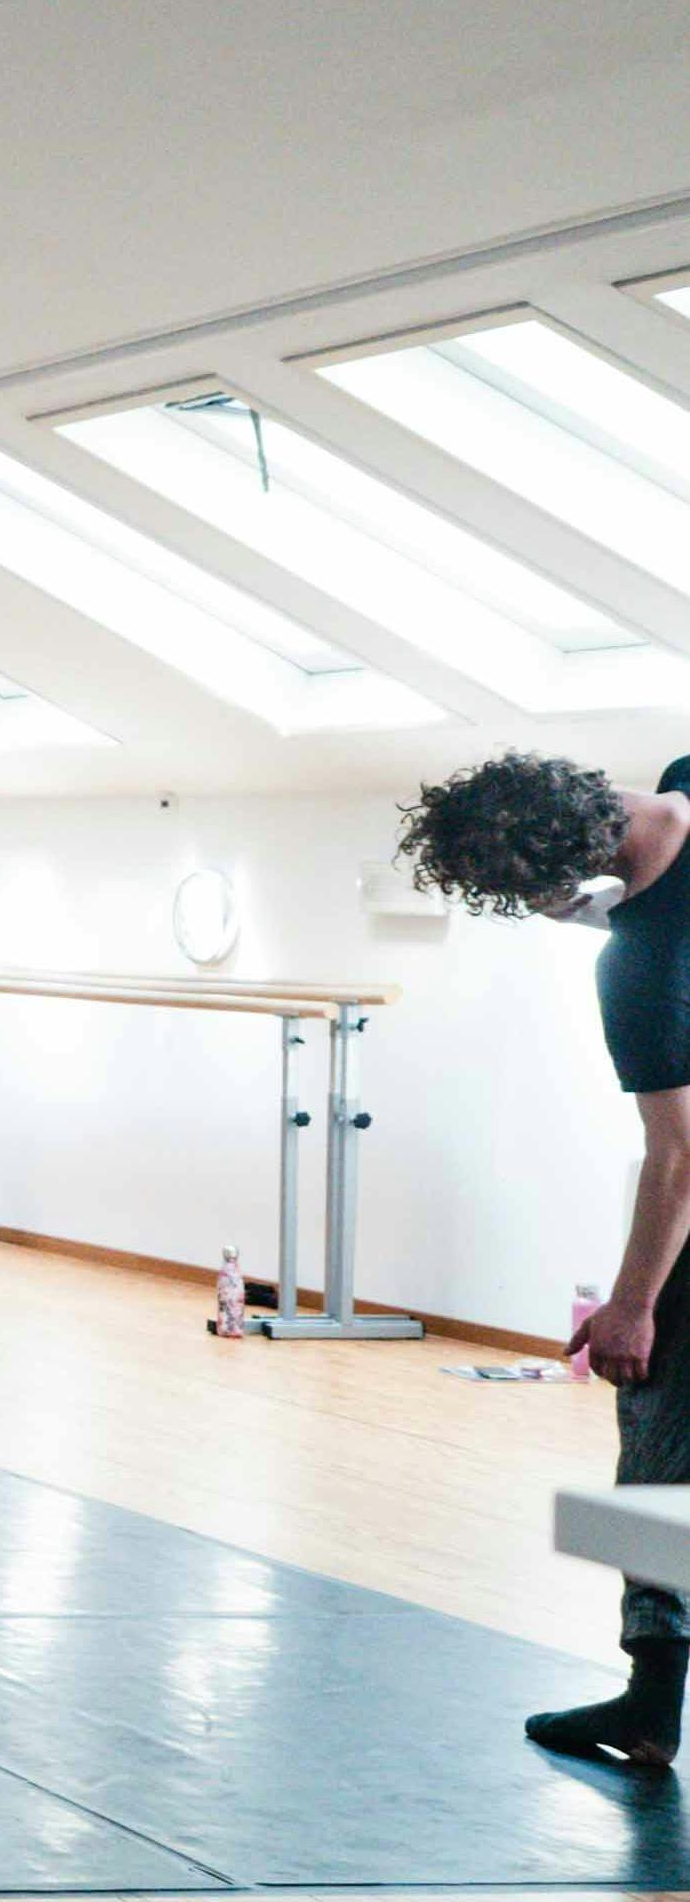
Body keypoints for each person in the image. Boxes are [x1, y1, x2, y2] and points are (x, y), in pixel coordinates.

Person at [395, 752, 686, 1771]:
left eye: (538, 901)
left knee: (654, 1425)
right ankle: (648, 1700)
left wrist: (629, 1307)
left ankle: (651, 1702)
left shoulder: (643, 965)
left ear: (582, 872)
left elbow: (680, 1153)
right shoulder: (679, 776)